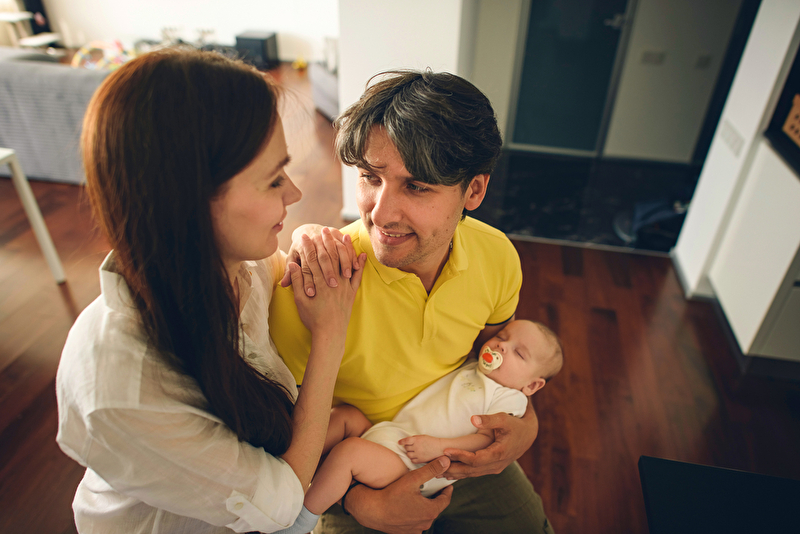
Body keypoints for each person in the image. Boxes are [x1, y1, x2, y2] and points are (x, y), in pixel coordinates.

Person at [55, 48, 366, 533]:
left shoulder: (240, 267)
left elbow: (285, 269)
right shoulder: (121, 387)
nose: (295, 193)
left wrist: (308, 240)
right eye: (273, 181)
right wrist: (330, 335)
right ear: (190, 201)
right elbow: (281, 504)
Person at [269, 70, 556, 533]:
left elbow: (492, 358)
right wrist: (360, 502)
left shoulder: (498, 256)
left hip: (460, 448)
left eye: (417, 186)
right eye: (370, 177)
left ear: (474, 191)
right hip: (353, 466)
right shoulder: (316, 285)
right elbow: (285, 448)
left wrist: (528, 425)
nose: (380, 214)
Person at [275, 320, 563, 534]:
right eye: (502, 337)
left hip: (410, 464)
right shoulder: (475, 367)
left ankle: (300, 520)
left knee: (348, 453)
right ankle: (286, 464)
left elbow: (485, 442)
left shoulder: (510, 398)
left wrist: (438, 448)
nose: (501, 346)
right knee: (344, 416)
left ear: (532, 386)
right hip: (391, 432)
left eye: (518, 353)